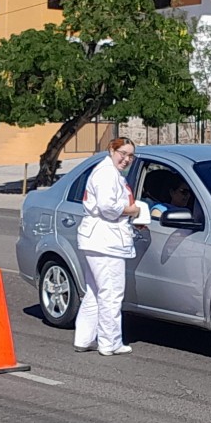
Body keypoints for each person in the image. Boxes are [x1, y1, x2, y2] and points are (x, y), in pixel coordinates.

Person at [73, 138, 142, 355]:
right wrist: (134, 210)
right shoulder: (106, 173)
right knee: (111, 293)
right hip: (106, 241)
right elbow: (107, 207)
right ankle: (109, 342)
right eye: (123, 153)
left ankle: (83, 338)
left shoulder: (108, 171)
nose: (126, 159)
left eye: (131, 155)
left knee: (95, 291)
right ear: (111, 150)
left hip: (98, 239)